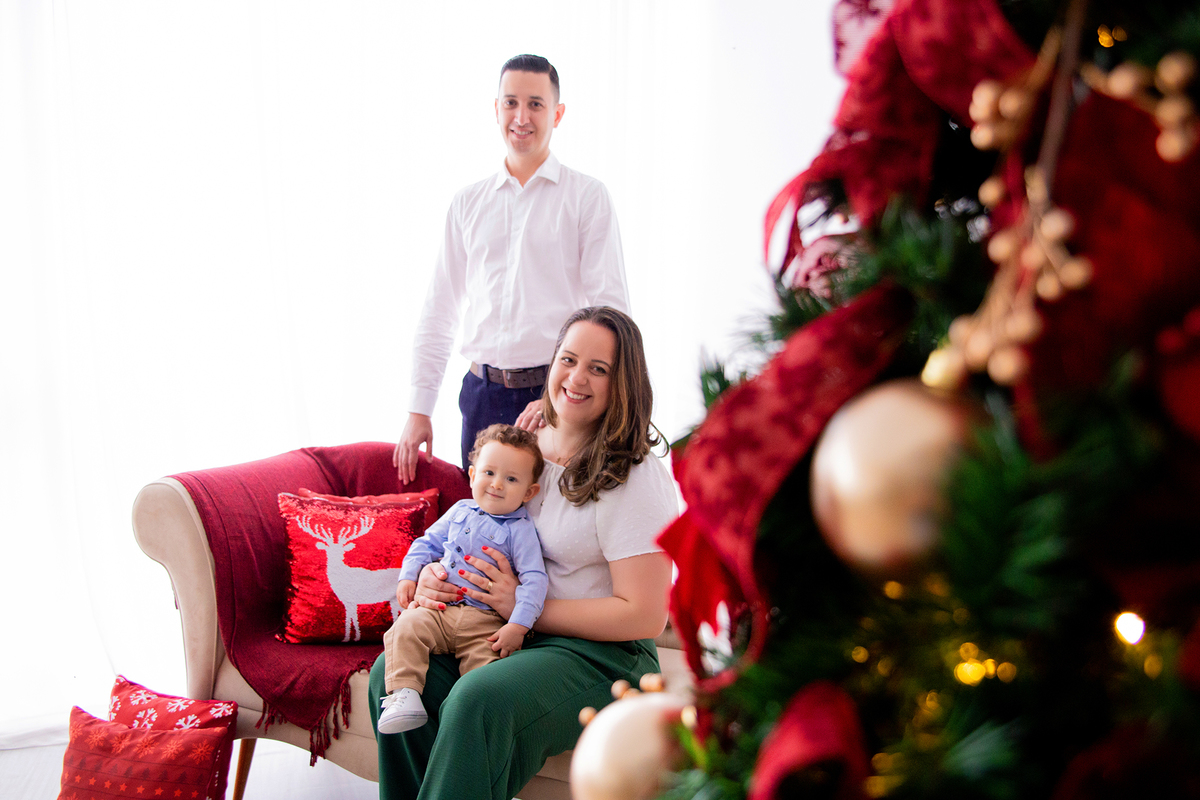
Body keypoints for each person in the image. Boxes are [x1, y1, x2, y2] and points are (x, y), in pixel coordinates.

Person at [369, 306, 678, 800]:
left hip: (603, 656)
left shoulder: (635, 475)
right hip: (506, 628)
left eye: (598, 369)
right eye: (568, 359)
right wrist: (433, 576)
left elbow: (645, 615)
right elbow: (473, 528)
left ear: (623, 384)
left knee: (479, 699)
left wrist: (523, 608)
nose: (576, 378)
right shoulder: (525, 446)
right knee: (390, 675)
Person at [394, 54, 631, 480]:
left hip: (554, 397)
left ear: (557, 114)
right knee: (481, 517)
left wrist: (559, 396)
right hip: (480, 395)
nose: (521, 117)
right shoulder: (467, 203)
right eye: (511, 103)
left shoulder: (587, 197)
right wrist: (419, 408)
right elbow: (440, 308)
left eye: (536, 104)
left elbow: (611, 313)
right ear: (496, 109)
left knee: (552, 517)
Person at [378, 424, 548, 735]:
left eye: (511, 479)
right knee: (405, 627)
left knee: (490, 675)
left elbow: (535, 580)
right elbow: (426, 543)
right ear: (472, 475)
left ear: (529, 492)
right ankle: (404, 695)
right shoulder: (460, 510)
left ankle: (477, 726)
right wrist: (409, 576)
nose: (497, 484)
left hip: (485, 623)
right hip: (440, 612)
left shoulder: (521, 530)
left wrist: (518, 626)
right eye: (489, 473)